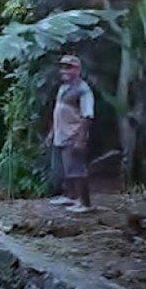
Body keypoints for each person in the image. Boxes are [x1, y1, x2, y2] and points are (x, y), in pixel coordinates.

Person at [47, 55, 95, 213]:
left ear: (78, 70)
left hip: (73, 135)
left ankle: (85, 203)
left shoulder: (83, 90)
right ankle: (70, 196)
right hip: (61, 134)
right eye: (63, 67)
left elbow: (87, 115)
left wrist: (81, 139)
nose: (65, 70)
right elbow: (58, 111)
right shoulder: (63, 87)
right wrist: (52, 132)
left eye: (69, 67)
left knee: (77, 170)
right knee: (66, 169)